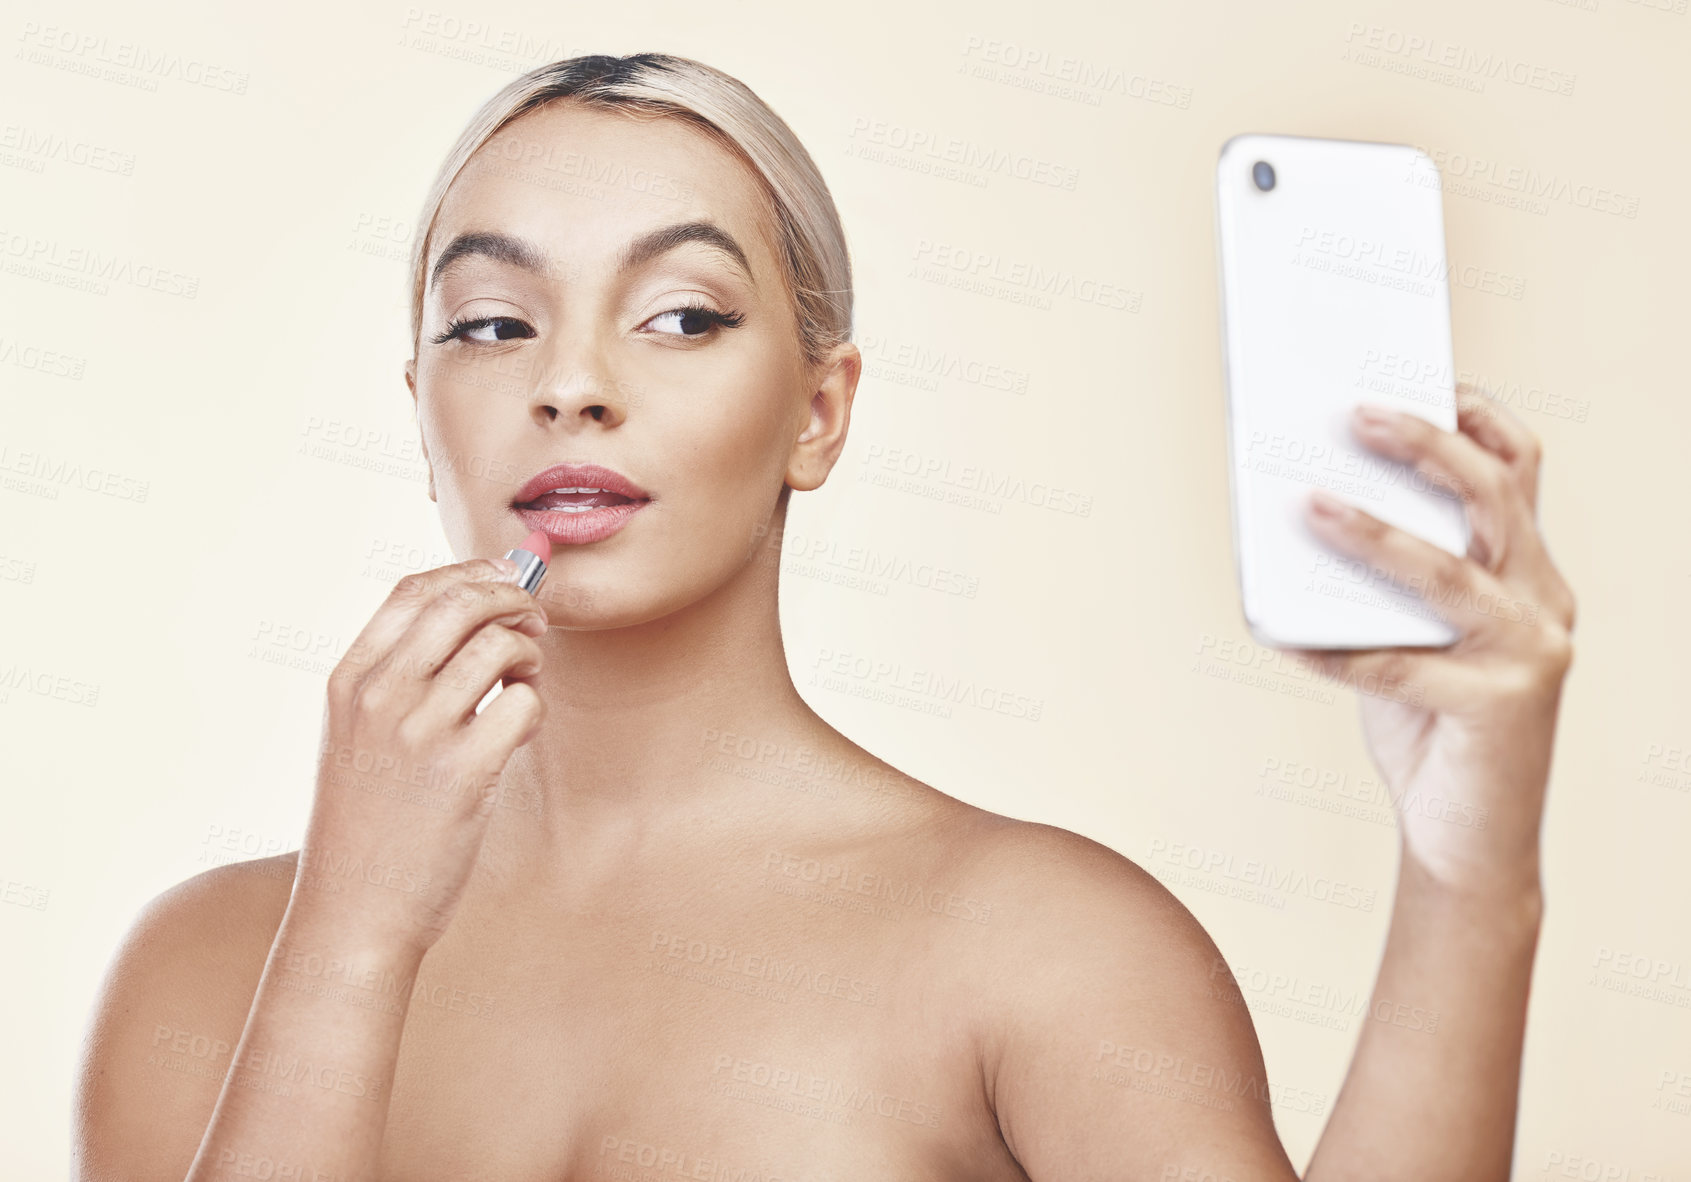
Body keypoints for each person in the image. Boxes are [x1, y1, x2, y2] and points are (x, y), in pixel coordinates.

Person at [72, 53, 1576, 1181]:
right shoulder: (204, 970)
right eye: (491, 322)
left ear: (819, 409)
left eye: (681, 314)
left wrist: (1469, 876)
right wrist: (346, 938)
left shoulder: (1047, 952)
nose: (572, 382)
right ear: (423, 414)